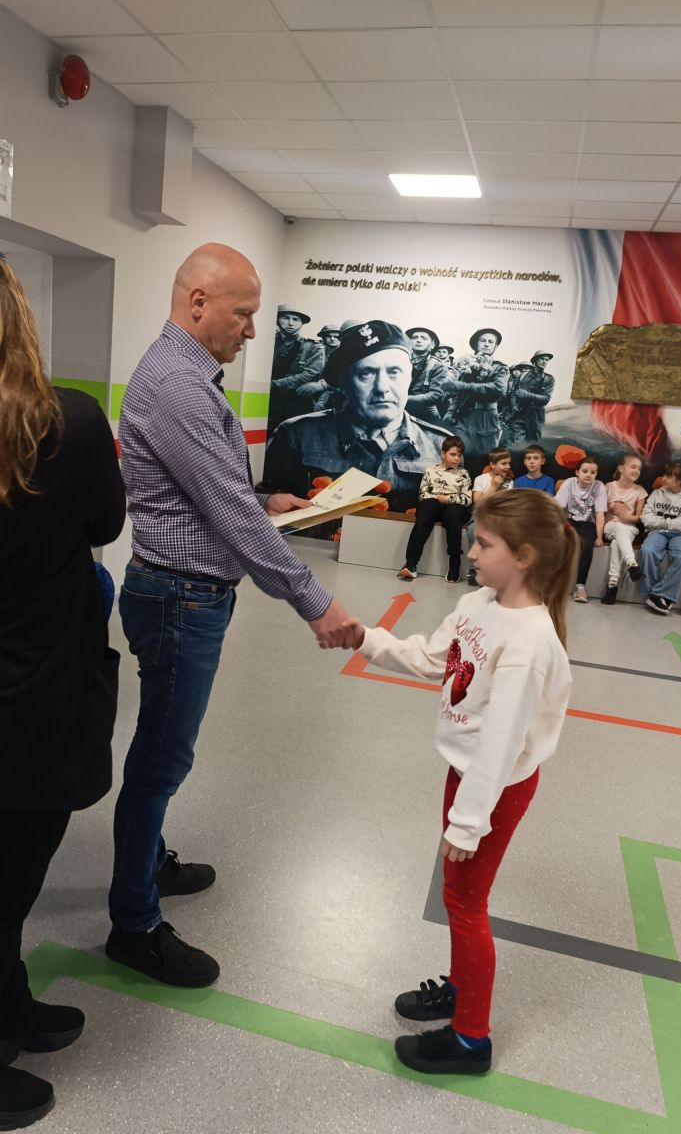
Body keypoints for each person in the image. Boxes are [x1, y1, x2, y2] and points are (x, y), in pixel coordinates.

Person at [109, 244, 352, 989]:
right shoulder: (177, 385)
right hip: (179, 597)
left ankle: (148, 862)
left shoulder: (187, 376)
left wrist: (267, 498)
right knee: (160, 762)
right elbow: (227, 516)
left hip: (184, 593)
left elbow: (218, 491)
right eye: (243, 314)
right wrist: (314, 601)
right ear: (198, 304)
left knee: (162, 753)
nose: (251, 330)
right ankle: (133, 925)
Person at [335, 490, 577, 1075]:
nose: (470, 552)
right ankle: (463, 986)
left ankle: (471, 1038)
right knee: (457, 894)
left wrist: (469, 823)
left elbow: (502, 743)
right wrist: (366, 638)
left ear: (523, 556)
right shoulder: (478, 603)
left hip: (494, 786)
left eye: (484, 544)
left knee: (466, 903)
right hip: (467, 771)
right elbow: (432, 659)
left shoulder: (529, 642)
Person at [0, 256, 125, 1129]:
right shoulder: (67, 423)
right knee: (10, 874)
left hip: (27, 691)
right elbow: (105, 522)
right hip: (34, 693)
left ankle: (9, 1007)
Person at [264, 321, 449, 513]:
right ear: (344, 383)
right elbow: (270, 506)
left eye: (394, 372)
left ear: (409, 377)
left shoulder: (442, 446)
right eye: (366, 373)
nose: (382, 388)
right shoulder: (296, 436)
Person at [397, 436, 472, 584]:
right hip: (434, 505)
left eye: (459, 455)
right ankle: (411, 563)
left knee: (453, 513)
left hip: (455, 508)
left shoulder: (463, 474)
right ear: (443, 453)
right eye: (453, 454)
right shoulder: (430, 471)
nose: (457, 458)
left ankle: (454, 563)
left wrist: (448, 499)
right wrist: (438, 498)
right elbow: (423, 494)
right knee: (426, 507)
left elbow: (467, 499)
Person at [445, 329, 509, 479]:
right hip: (462, 418)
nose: (486, 344)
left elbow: (498, 390)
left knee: (484, 462)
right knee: (457, 460)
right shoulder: (465, 364)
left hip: (485, 420)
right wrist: (450, 412)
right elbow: (458, 393)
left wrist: (469, 386)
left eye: (491, 342)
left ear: (495, 346)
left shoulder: (500, 367)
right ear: (475, 344)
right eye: (483, 340)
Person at [639, 461, 681, 615]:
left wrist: (663, 523)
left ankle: (660, 594)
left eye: (668, 476)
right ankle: (655, 595)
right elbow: (646, 517)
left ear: (680, 480)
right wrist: (668, 523)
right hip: (657, 532)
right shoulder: (657, 494)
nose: (663, 478)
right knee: (648, 550)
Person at [555, 456, 607, 603]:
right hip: (569, 521)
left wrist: (599, 537)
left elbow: (600, 513)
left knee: (587, 545)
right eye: (585, 471)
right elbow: (558, 508)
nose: (588, 475)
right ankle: (554, 582)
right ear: (577, 472)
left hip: (587, 523)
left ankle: (580, 587)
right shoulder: (569, 483)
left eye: (593, 472)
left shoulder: (599, 486)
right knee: (560, 542)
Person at [267, 303, 325, 430]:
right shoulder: (266, 342)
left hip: (295, 404)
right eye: (285, 318)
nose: (290, 323)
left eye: (295, 320)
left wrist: (274, 384)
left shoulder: (313, 347)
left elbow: (310, 374)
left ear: (302, 323)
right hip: (266, 401)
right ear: (277, 320)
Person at [600, 454, 647, 605]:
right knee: (618, 527)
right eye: (633, 467)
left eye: (639, 468)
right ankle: (631, 563)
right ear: (621, 469)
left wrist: (624, 516)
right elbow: (600, 510)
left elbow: (639, 518)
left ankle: (612, 585)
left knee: (616, 544)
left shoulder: (640, 491)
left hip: (629, 530)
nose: (637, 471)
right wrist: (611, 507)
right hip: (610, 527)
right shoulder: (608, 487)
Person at [466, 447, 514, 586]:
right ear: (492, 465)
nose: (507, 467)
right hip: (480, 514)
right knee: (472, 530)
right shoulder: (481, 479)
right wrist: (493, 487)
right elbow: (478, 502)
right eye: (503, 463)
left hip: (499, 516)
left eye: (509, 463)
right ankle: (474, 570)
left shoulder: (509, 482)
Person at [501, 351, 555, 444]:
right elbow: (514, 392)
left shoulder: (549, 379)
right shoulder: (523, 375)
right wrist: (514, 406)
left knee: (533, 442)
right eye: (542, 359)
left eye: (547, 360)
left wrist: (526, 394)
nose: (544, 362)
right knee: (515, 440)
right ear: (535, 360)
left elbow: (546, 399)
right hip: (520, 412)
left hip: (536, 415)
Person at [293, 324, 342, 412]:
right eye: (329, 336)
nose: (332, 339)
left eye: (336, 337)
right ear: (323, 338)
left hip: (332, 391)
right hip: (310, 387)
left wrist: (321, 400)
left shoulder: (344, 353)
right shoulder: (314, 351)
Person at [404, 326, 448, 425]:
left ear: (432, 344)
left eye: (424, 338)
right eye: (414, 337)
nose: (418, 340)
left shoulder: (437, 365)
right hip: (400, 410)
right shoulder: (402, 360)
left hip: (424, 414)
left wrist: (403, 398)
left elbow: (435, 395)